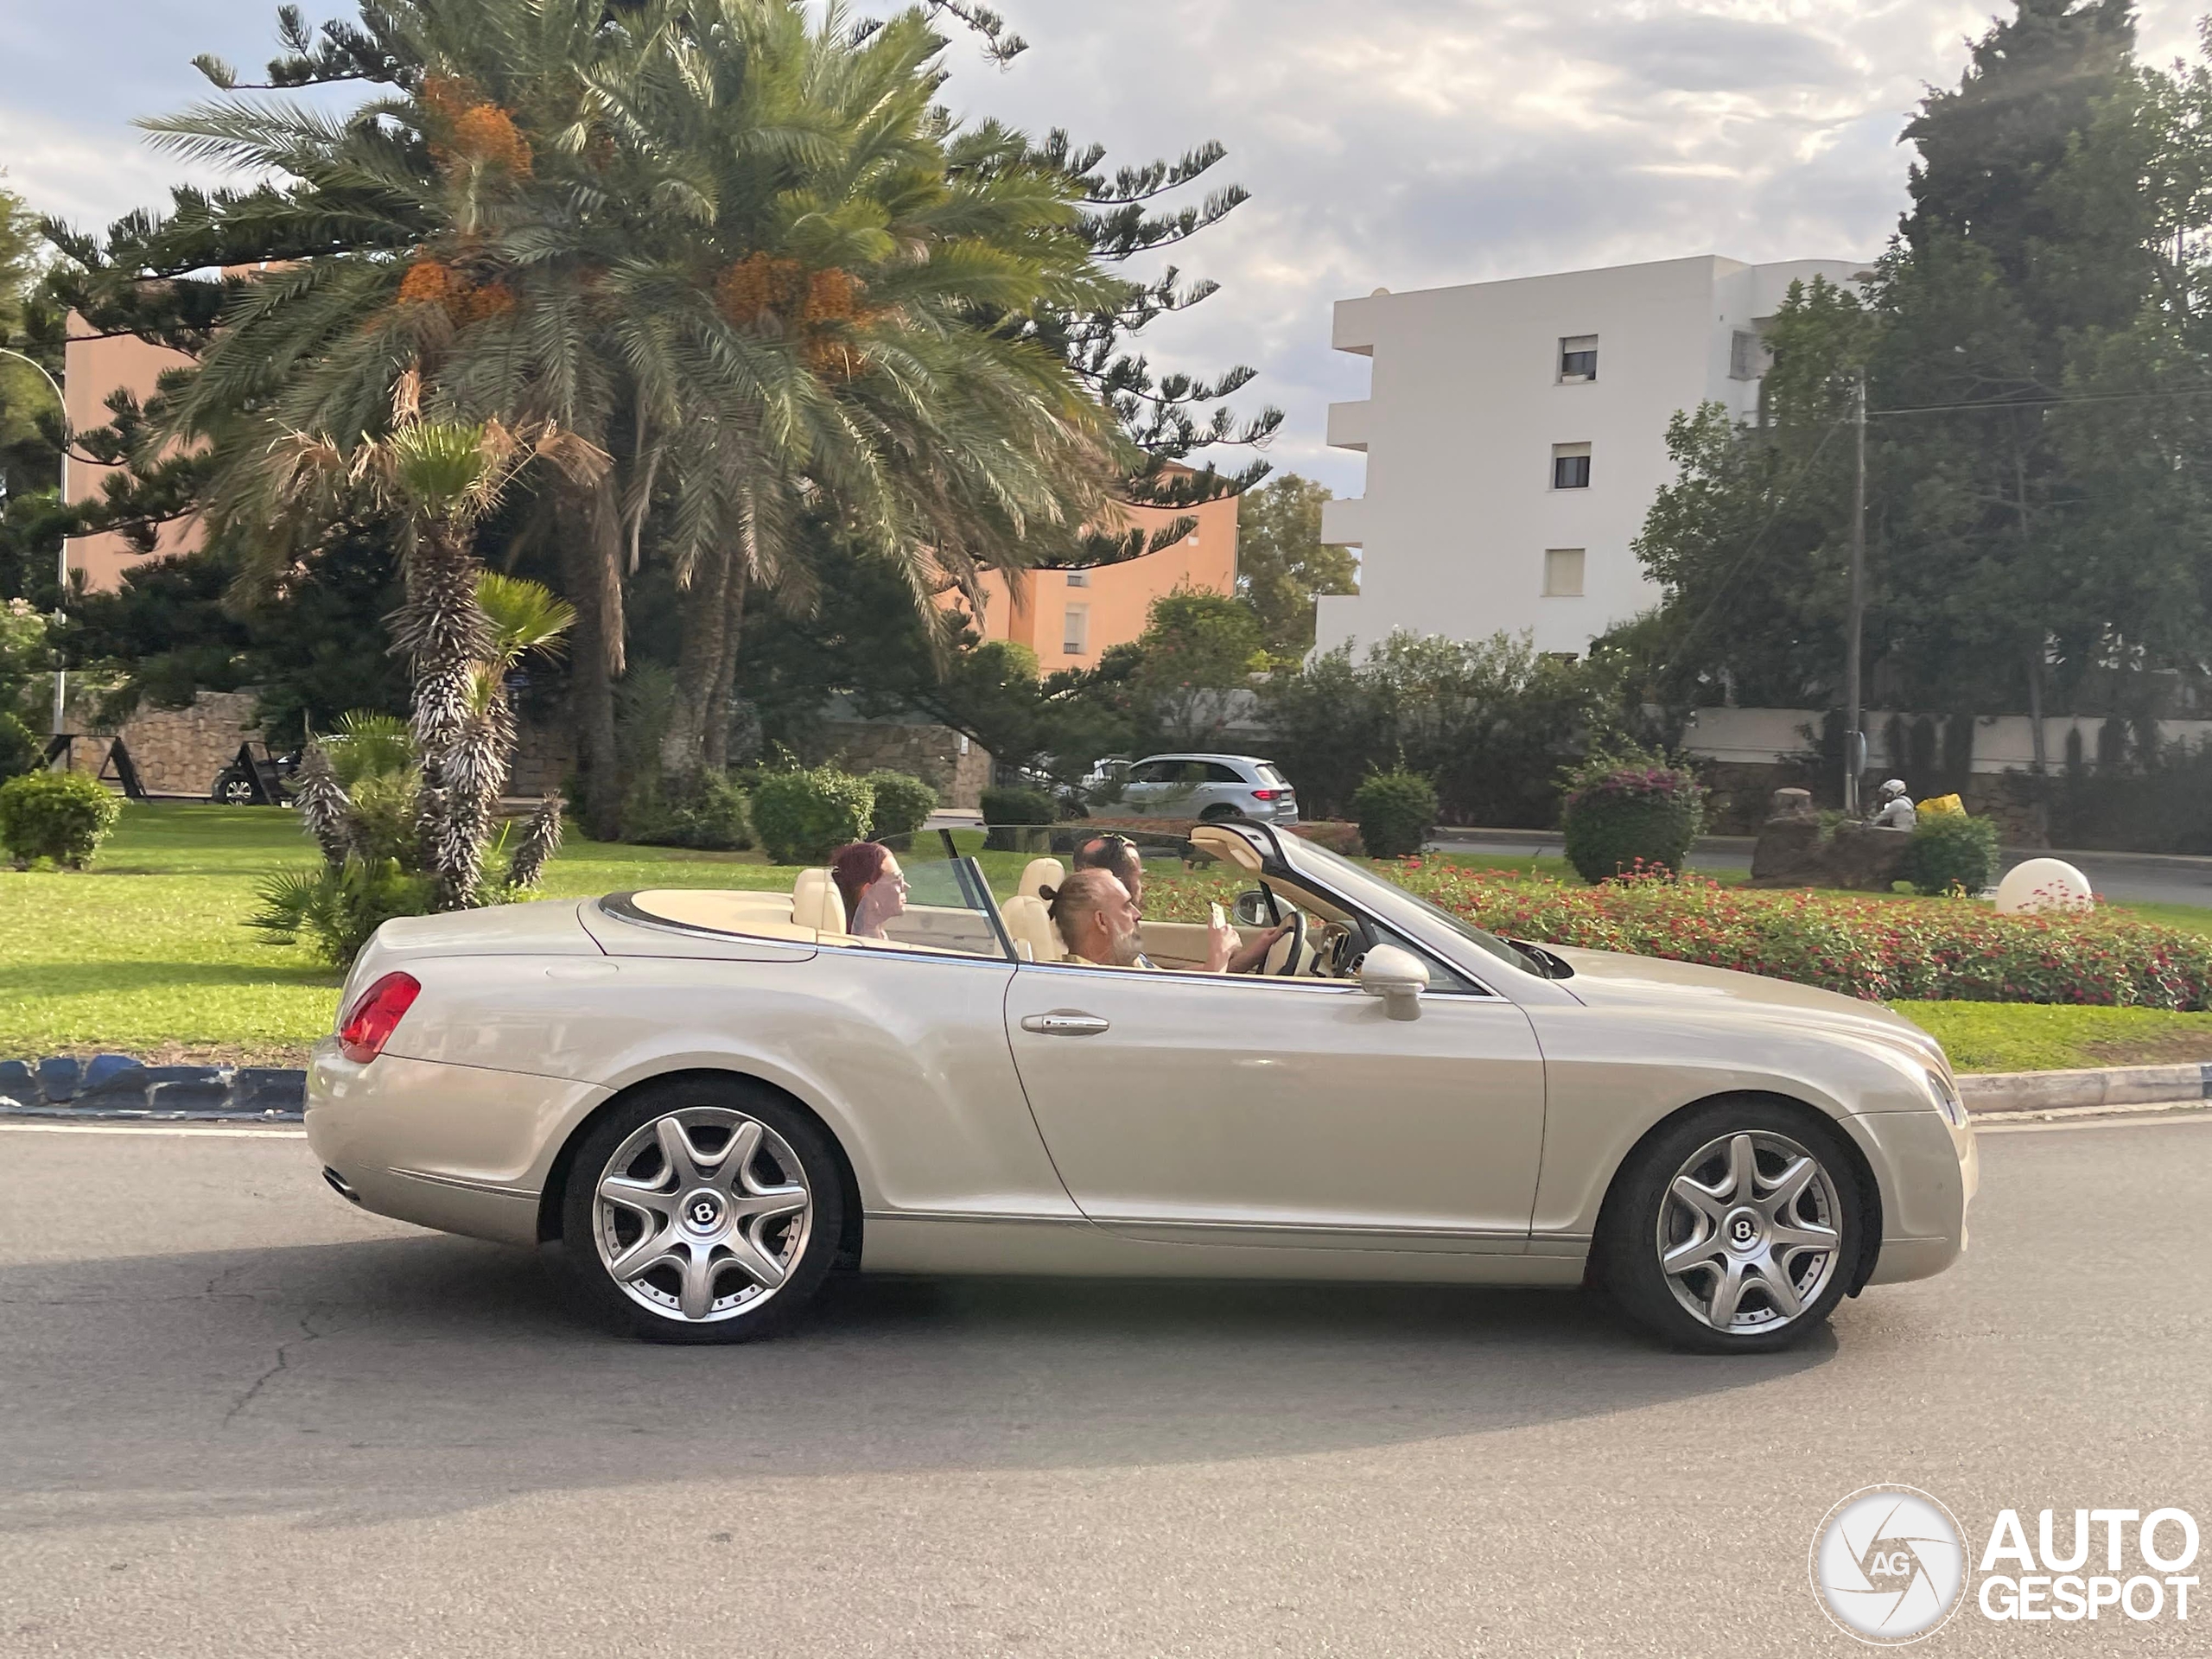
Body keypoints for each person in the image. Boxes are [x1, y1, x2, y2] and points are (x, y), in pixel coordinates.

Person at [1071, 832, 1288, 973]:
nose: (1144, 884)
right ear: (1115, 881)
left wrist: (1253, 953)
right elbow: (1188, 1005)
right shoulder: (1101, 938)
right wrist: (1219, 952)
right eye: (1139, 874)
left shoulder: (1119, 934)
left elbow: (1168, 980)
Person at [829, 841, 907, 939]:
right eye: (896, 880)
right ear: (868, 892)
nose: (906, 886)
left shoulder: (868, 936)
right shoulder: (862, 947)